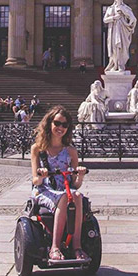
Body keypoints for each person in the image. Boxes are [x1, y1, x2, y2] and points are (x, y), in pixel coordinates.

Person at [30, 107, 89, 262]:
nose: (60, 128)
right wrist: (42, 175)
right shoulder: (38, 149)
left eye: (65, 125)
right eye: (57, 123)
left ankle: (77, 246)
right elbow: (35, 180)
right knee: (66, 197)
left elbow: (75, 184)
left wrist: (80, 176)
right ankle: (55, 248)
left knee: (77, 195)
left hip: (66, 191)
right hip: (44, 190)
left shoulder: (71, 151)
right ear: (50, 123)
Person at [103, 0, 137, 72]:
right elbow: (105, 20)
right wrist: (114, 18)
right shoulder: (110, 9)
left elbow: (133, 19)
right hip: (113, 31)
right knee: (114, 48)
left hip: (123, 31)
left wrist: (125, 13)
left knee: (122, 47)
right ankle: (115, 65)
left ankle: (121, 64)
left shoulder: (125, 8)